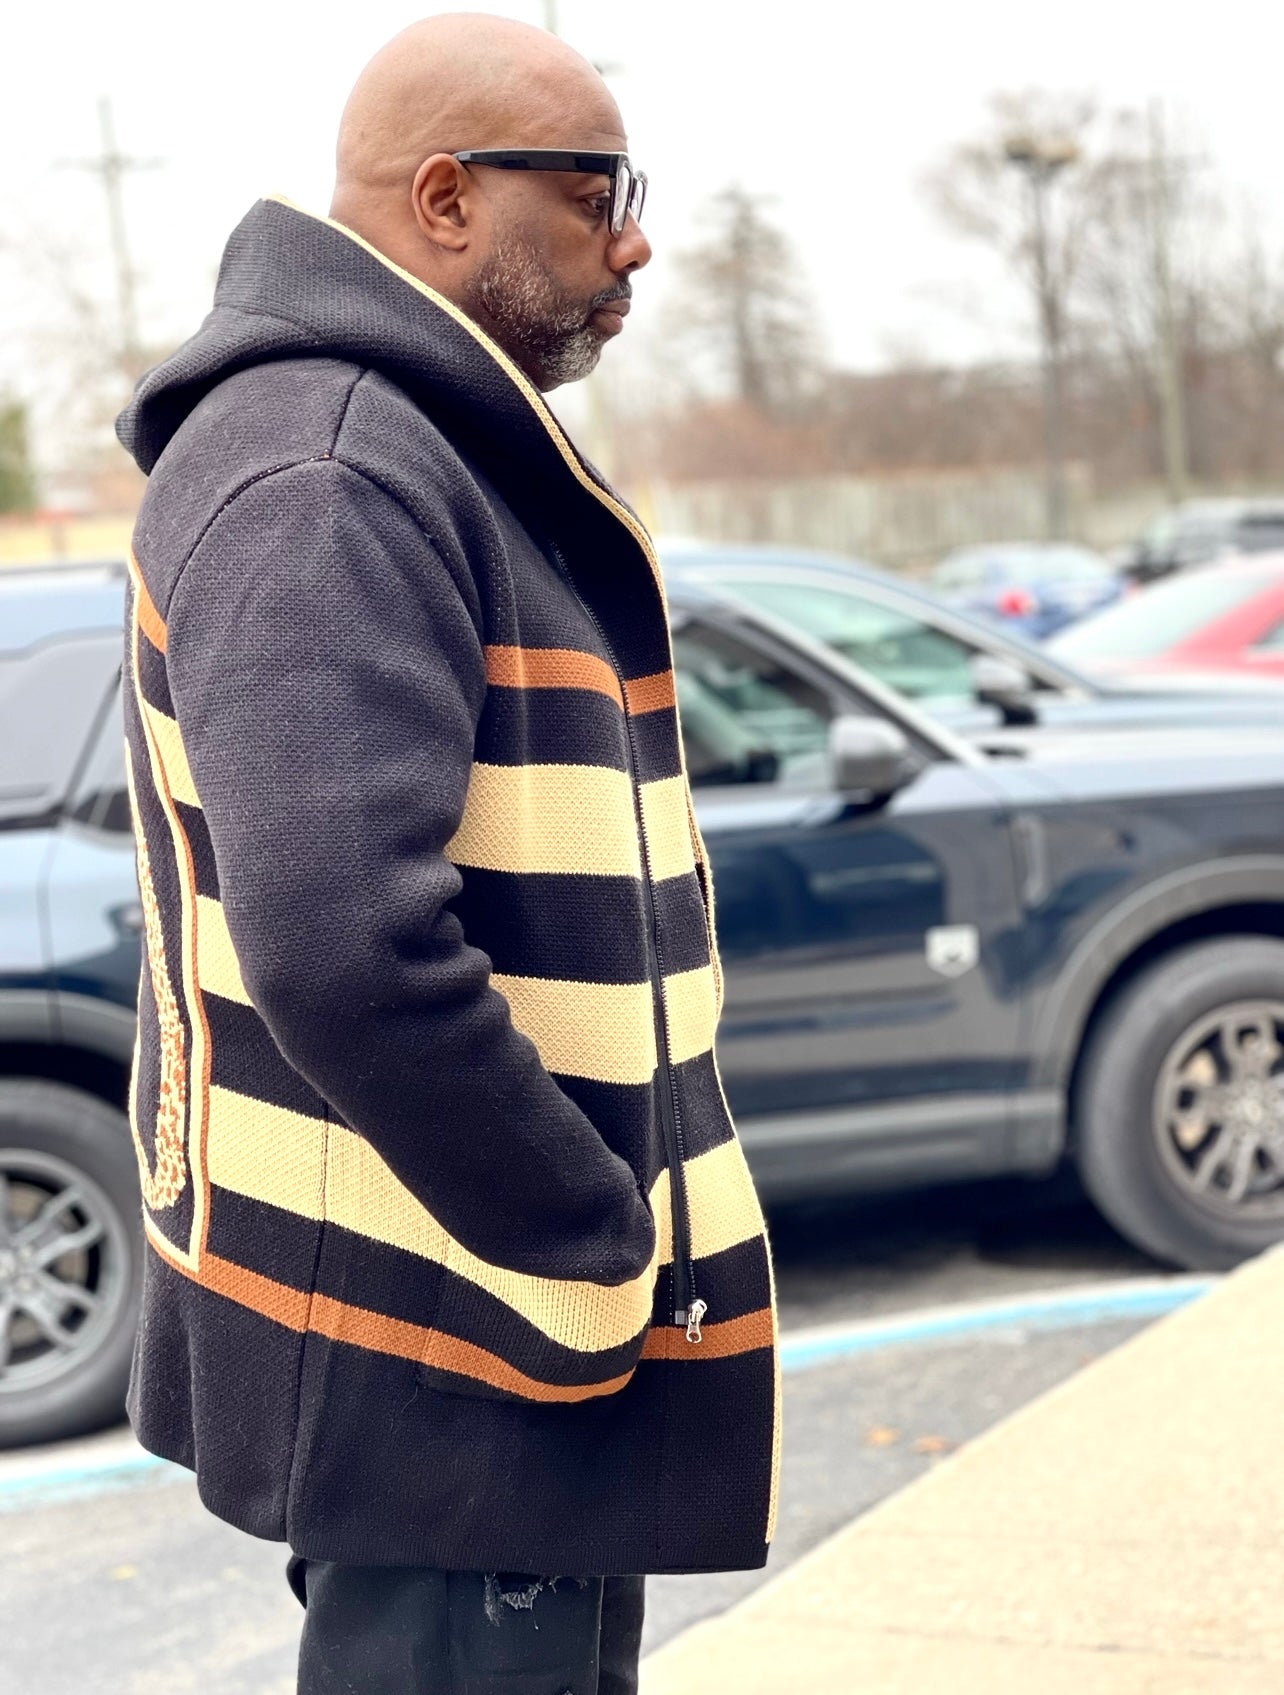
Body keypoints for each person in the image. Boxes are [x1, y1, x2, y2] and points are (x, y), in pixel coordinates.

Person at [115, 13, 779, 1693]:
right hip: (461, 1339)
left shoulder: (403, 444)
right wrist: (584, 1239)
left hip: (473, 1342)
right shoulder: (330, 468)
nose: (635, 243)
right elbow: (345, 946)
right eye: (598, 193)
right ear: (444, 199)